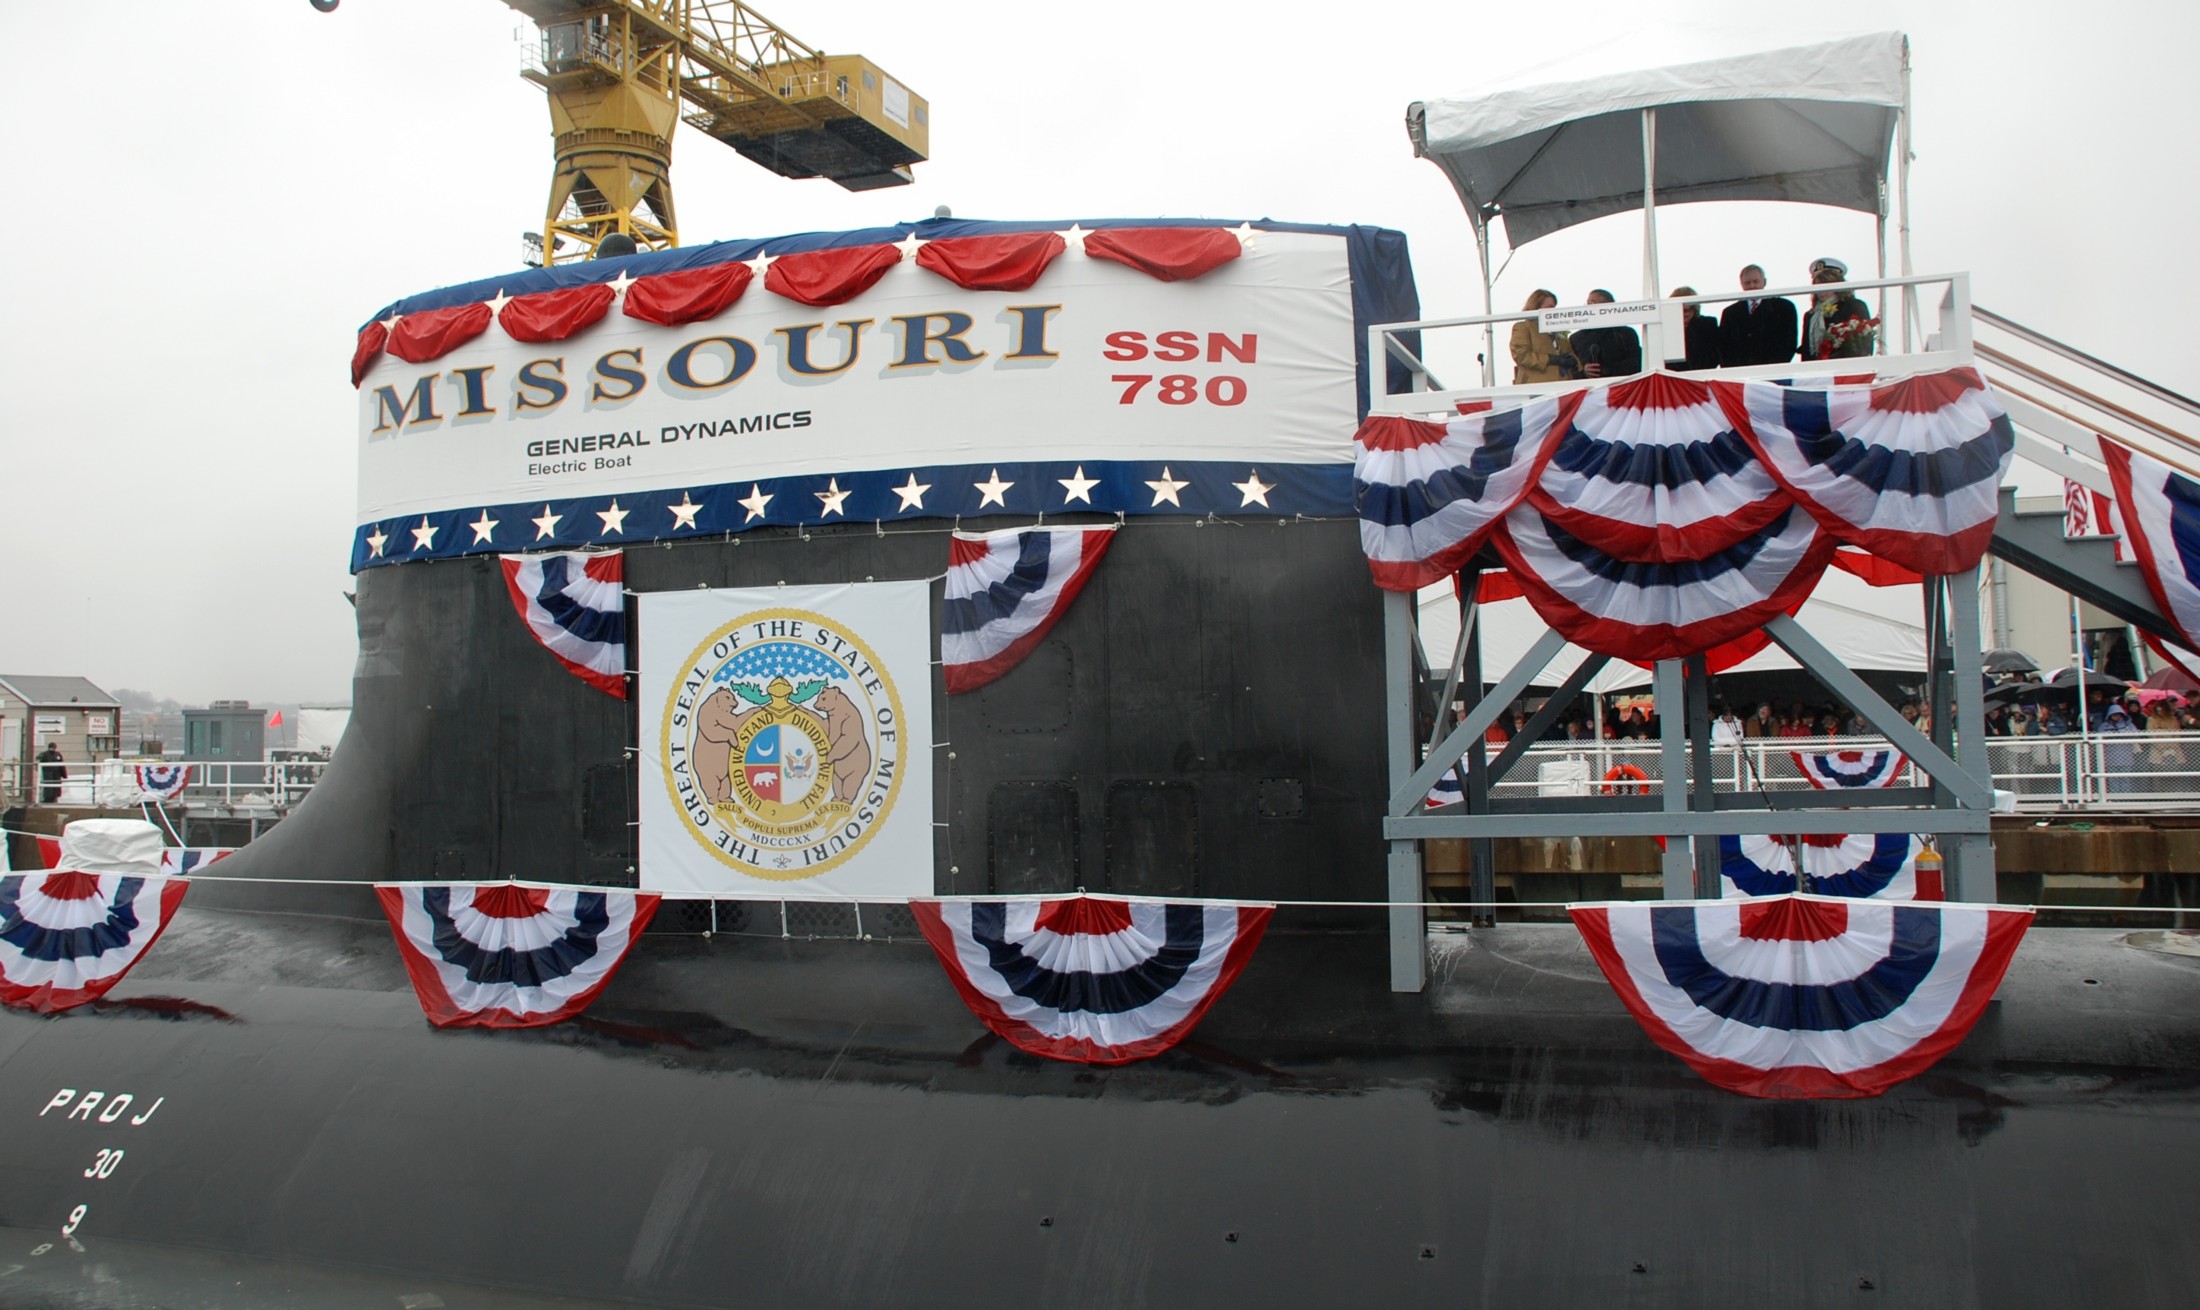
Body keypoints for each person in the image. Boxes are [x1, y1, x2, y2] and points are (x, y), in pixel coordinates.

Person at [1717, 264, 1798, 366]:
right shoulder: (1730, 313)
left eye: (1756, 282)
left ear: (1764, 282)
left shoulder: (1784, 307)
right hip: (1741, 375)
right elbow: (1724, 348)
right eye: (1747, 283)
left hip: (1774, 372)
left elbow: (1789, 343)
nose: (1752, 286)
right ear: (1741, 284)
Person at [1802, 257, 1876, 360]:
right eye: (1817, 285)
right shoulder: (1810, 315)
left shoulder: (1853, 306)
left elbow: (1863, 344)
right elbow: (1806, 351)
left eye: (1826, 284)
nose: (1821, 291)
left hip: (1845, 369)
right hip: (1816, 371)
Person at [1570, 290, 1641, 379]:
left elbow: (1637, 362)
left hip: (1621, 386)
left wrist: (1607, 370)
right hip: (1587, 388)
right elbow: (1571, 369)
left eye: (1592, 302)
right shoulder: (1576, 338)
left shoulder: (1625, 333)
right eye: (1587, 303)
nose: (1588, 306)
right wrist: (1583, 372)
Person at [1510, 289, 1575, 384]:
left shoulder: (1559, 331)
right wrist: (1550, 359)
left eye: (1554, 307)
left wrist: (1573, 361)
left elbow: (1570, 353)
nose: (1554, 311)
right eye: (1550, 307)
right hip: (1537, 386)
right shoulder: (1523, 327)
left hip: (1563, 386)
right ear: (1536, 307)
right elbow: (1521, 356)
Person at [1668, 287, 1722, 370]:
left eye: (1685, 310)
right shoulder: (1666, 329)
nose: (1682, 314)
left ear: (1694, 309)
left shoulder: (1708, 325)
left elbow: (1714, 356)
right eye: (1678, 310)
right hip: (1674, 379)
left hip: (1703, 376)